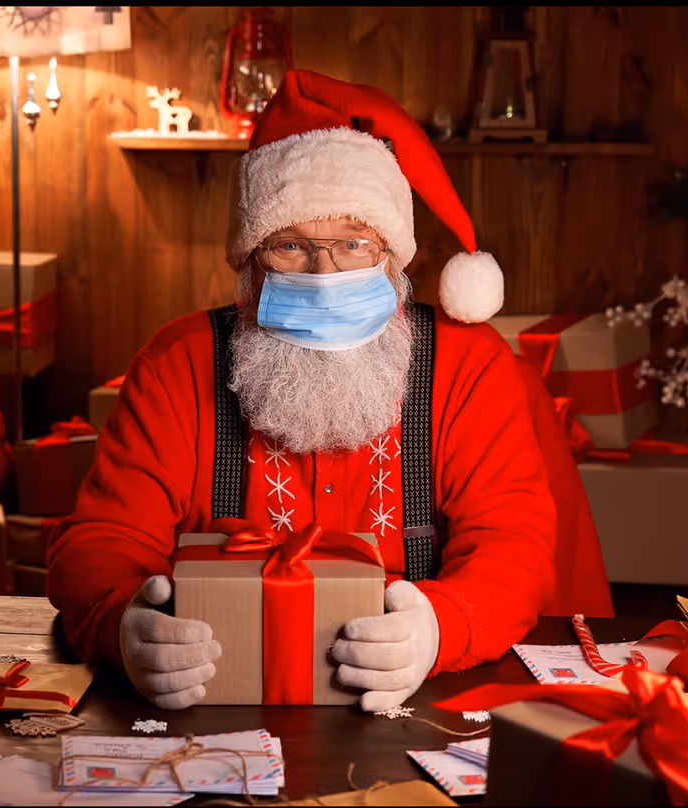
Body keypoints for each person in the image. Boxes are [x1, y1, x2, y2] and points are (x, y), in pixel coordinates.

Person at [48, 69, 600, 712]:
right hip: (218, 698)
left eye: (354, 243)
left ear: (393, 258)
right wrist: (123, 623)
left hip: (416, 697)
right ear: (250, 262)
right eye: (290, 246)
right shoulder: (179, 364)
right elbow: (102, 539)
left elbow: (514, 545)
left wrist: (440, 628)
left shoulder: (469, 366)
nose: (324, 274)